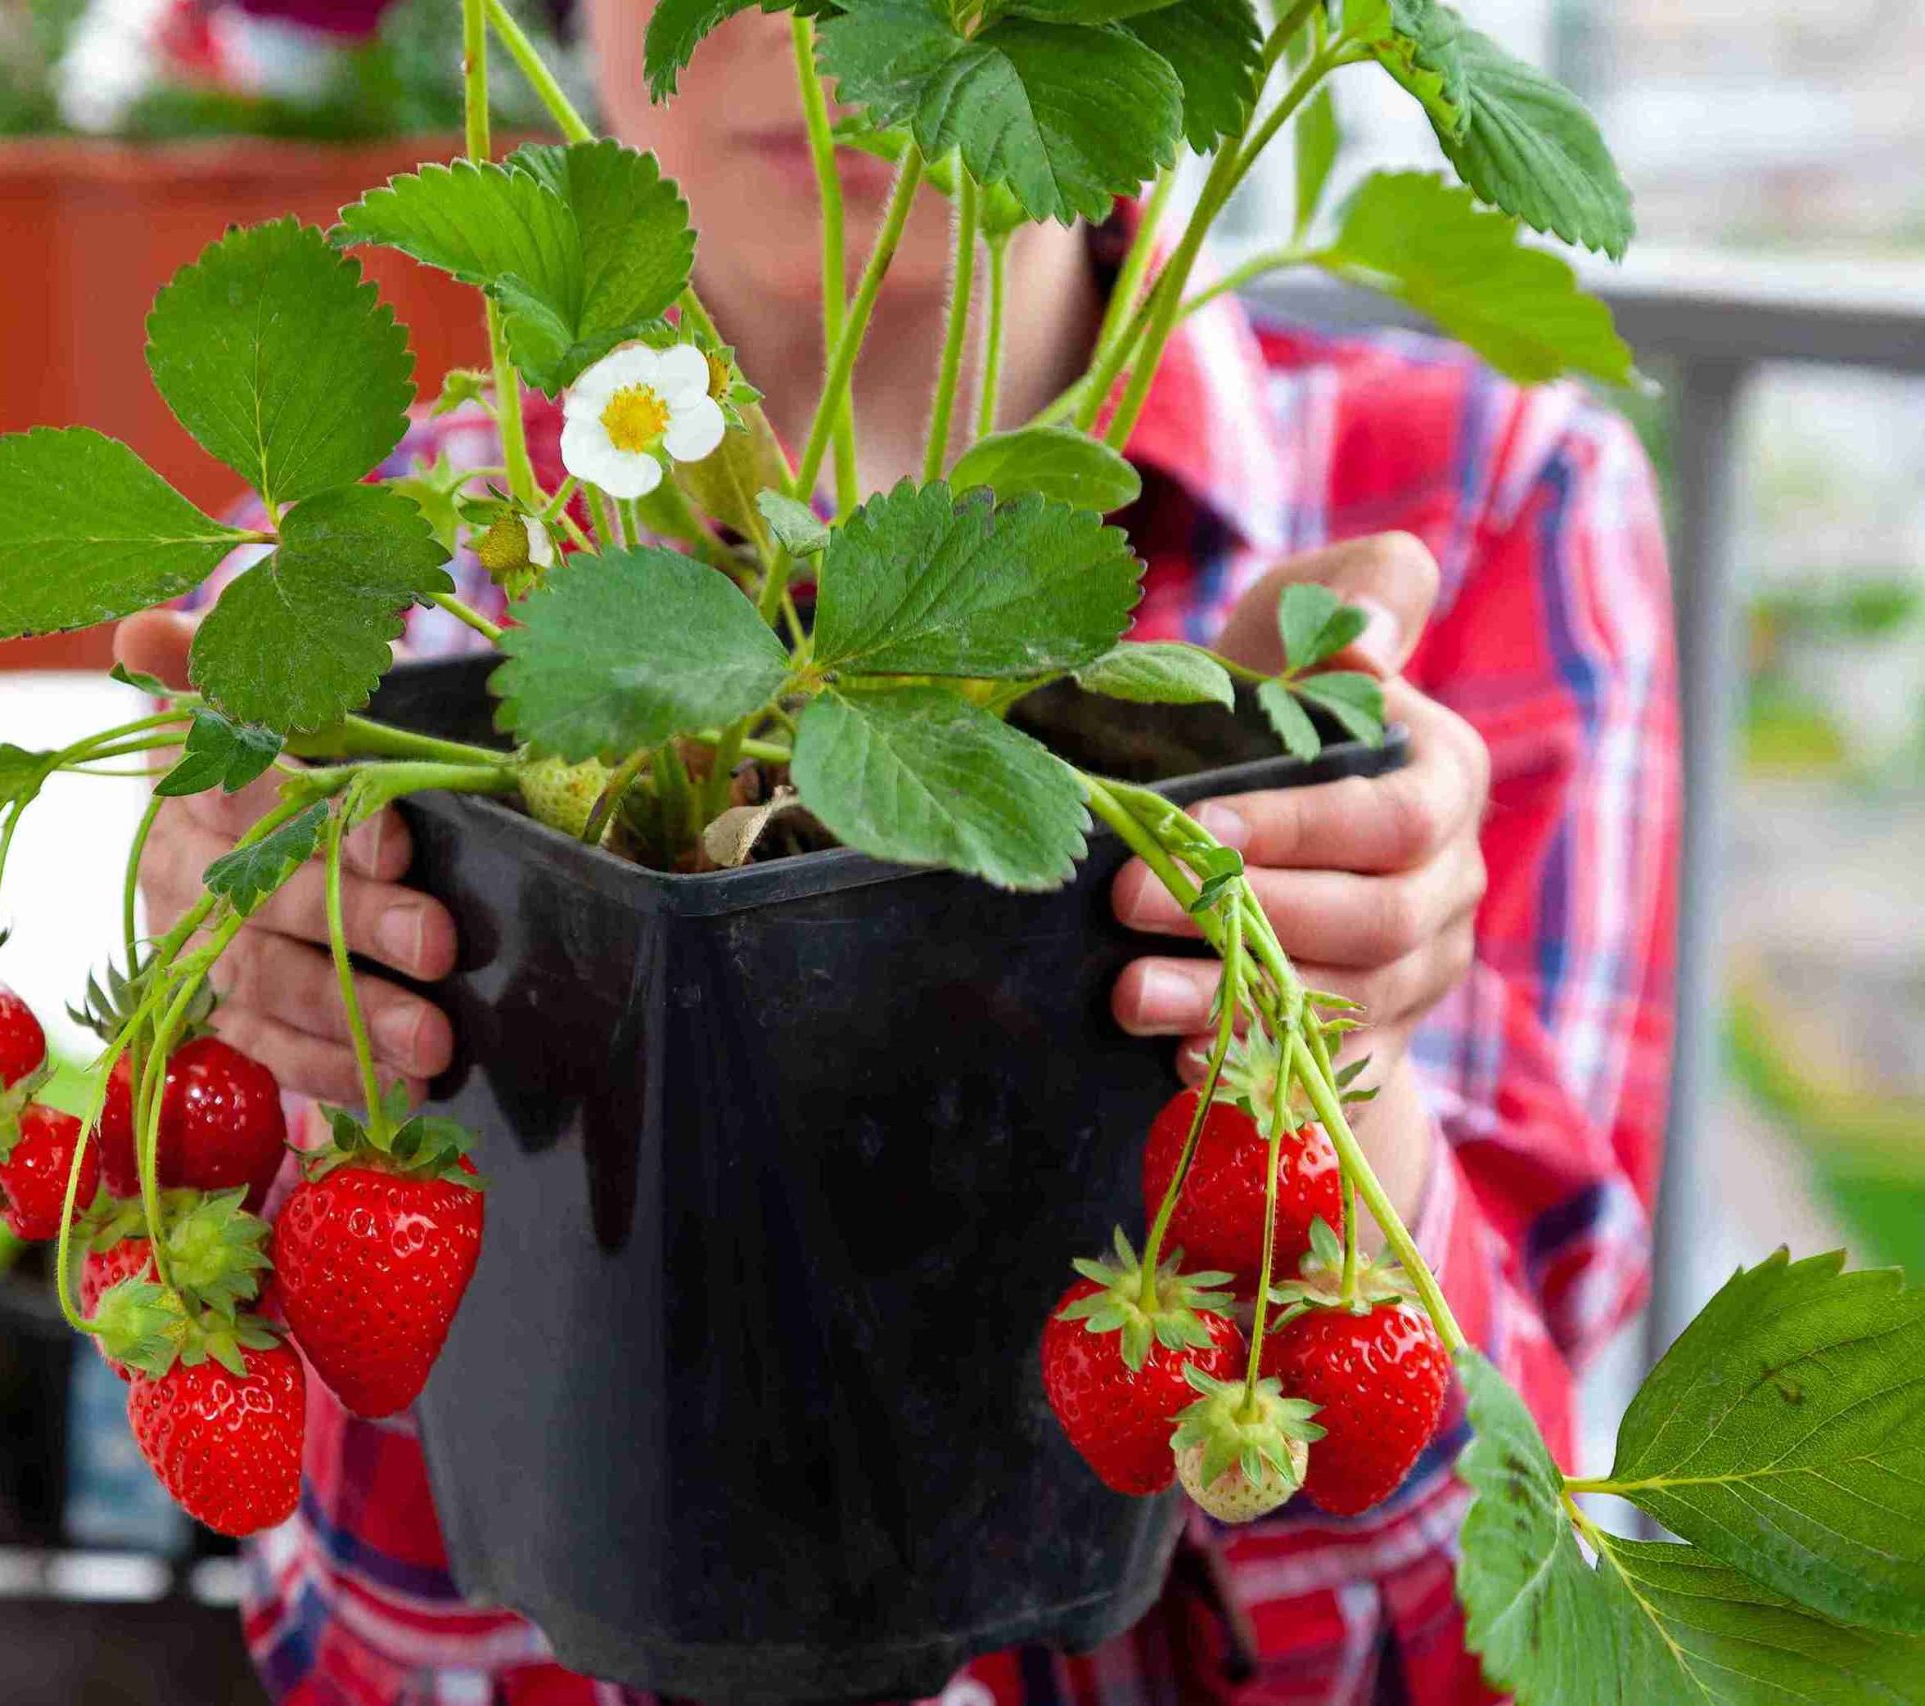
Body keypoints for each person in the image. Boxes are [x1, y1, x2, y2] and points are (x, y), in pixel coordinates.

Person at [111, 4, 1680, 1698]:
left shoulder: (1488, 502)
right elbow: (377, 1650)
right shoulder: (357, 603)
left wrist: (1320, 1054)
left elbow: (1479, 1649)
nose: (839, 23)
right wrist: (310, 1045)